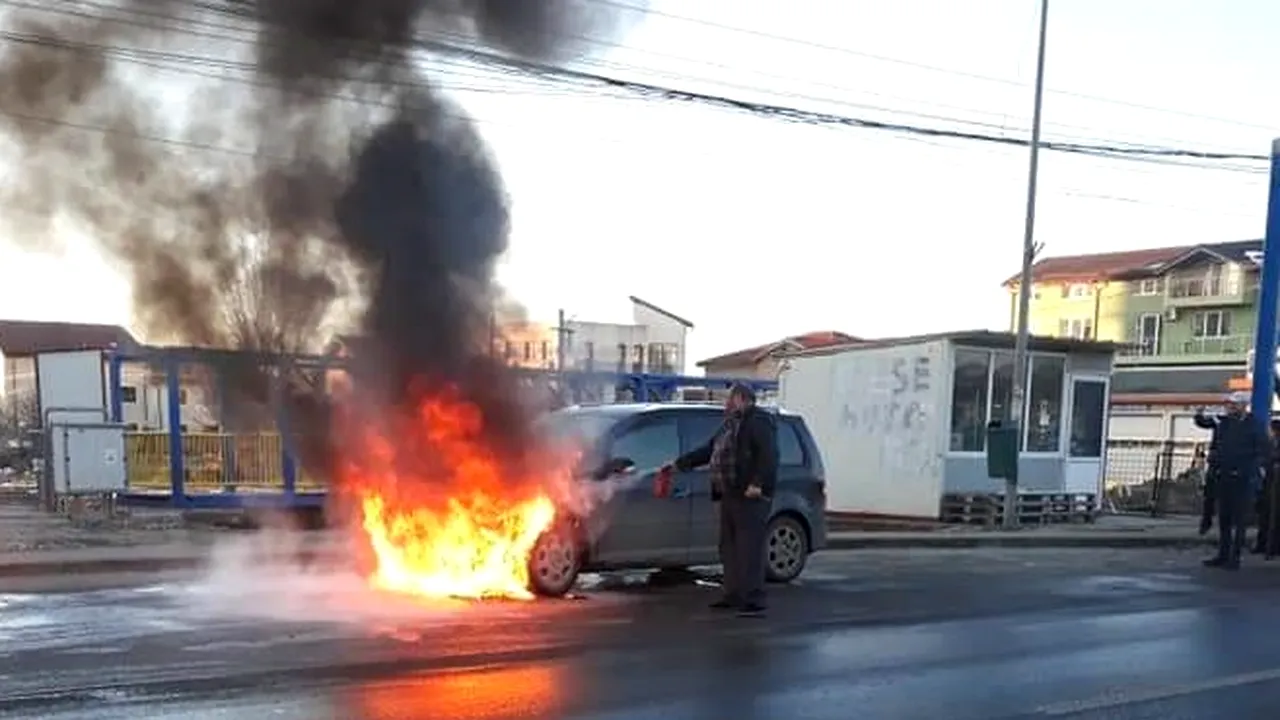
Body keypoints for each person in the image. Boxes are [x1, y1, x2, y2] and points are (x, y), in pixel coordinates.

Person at [662, 382, 778, 617]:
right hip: (729, 493)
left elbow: (768, 455)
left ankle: (754, 597)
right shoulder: (730, 423)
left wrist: (757, 483)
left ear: (743, 399)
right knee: (729, 548)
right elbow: (709, 450)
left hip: (750, 496)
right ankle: (733, 594)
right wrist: (679, 464)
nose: (727, 403)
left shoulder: (758, 422)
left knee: (749, 548)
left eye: (730, 398)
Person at [1193, 391, 1270, 570]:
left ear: (1243, 406)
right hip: (1223, 475)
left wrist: (1251, 469)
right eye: (1229, 404)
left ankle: (1234, 557)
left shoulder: (1253, 425)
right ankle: (1223, 554)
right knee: (1224, 518)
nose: (1229, 407)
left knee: (1239, 519)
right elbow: (1204, 423)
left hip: (1242, 478)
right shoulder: (1223, 422)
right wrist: (1198, 415)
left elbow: (1262, 449)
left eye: (1234, 404)